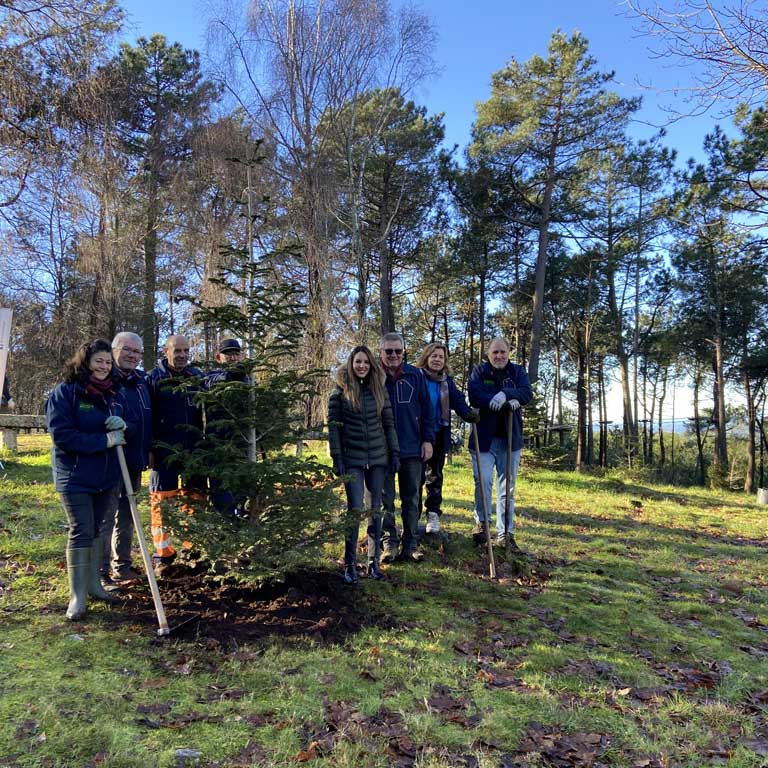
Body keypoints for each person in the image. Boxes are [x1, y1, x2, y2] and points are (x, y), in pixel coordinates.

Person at [46, 339, 126, 620]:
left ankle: (94, 585)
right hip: (75, 475)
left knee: (96, 528)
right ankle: (77, 596)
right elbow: (63, 437)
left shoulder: (112, 393)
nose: (104, 367)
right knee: (81, 528)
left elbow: (126, 421)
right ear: (85, 363)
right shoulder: (65, 393)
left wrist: (123, 422)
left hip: (106, 476)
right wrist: (103, 440)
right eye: (98, 362)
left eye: (107, 362)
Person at [328, 346, 398, 582]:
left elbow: (388, 423)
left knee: (375, 510)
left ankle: (373, 562)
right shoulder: (340, 390)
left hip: (378, 458)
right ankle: (349, 564)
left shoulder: (379, 390)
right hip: (353, 459)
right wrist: (337, 457)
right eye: (358, 362)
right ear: (351, 363)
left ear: (371, 366)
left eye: (366, 363)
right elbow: (334, 428)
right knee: (355, 509)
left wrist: (394, 451)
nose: (362, 366)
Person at [146, 334, 205, 573]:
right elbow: (145, 415)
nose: (181, 355)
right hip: (163, 451)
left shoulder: (197, 377)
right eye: (177, 351)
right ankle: (164, 554)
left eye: (185, 351)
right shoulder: (153, 379)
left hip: (194, 450)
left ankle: (193, 550)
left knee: (195, 501)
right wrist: (149, 448)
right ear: (165, 351)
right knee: (162, 502)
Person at [468, 337, 532, 551]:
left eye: (503, 352)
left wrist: (508, 393)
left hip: (510, 440)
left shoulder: (517, 372)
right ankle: (482, 524)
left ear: (508, 352)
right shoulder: (480, 372)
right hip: (483, 439)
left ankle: (506, 534)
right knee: (483, 481)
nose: (499, 356)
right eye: (495, 352)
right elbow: (475, 395)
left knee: (507, 488)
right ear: (488, 354)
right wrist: (495, 400)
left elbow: (526, 393)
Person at [99, 332, 152, 584]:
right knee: (107, 514)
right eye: (127, 350)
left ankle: (122, 565)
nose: (132, 355)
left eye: (137, 352)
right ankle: (101, 571)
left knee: (128, 512)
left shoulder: (142, 381)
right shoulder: (105, 378)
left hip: (133, 458)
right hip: (110, 458)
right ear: (114, 350)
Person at [378, 332, 435, 563]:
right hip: (381, 448)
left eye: (398, 351)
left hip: (412, 447)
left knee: (412, 498)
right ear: (380, 352)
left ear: (404, 352)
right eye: (388, 351)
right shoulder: (373, 376)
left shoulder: (416, 376)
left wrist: (428, 440)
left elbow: (428, 410)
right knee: (385, 499)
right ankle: (388, 543)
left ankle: (410, 543)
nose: (393, 355)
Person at [414, 342, 480, 535]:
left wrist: (469, 414)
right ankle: (413, 517)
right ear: (426, 357)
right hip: (417, 435)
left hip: (439, 434)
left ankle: (433, 515)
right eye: (433, 356)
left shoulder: (446, 382)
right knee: (415, 478)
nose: (437, 360)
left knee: (435, 477)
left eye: (441, 357)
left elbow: (458, 401)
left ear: (445, 361)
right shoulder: (416, 378)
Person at [204, 338, 248, 515]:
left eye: (236, 353)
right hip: (218, 445)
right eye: (228, 354)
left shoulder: (247, 380)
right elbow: (212, 384)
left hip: (242, 444)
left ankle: (241, 516)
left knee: (241, 488)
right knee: (221, 489)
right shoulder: (210, 376)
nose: (233, 357)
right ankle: (225, 523)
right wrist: (231, 377)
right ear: (218, 357)